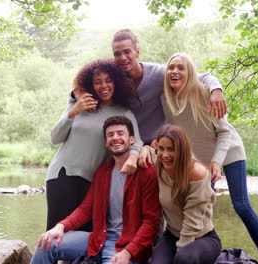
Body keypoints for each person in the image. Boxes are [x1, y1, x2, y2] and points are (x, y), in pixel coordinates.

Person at [141, 52, 258, 264]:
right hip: (201, 161)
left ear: (191, 72)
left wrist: (216, 162)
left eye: (181, 67)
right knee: (201, 208)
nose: (175, 71)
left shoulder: (204, 93)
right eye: (171, 68)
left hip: (228, 153)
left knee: (241, 205)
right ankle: (196, 251)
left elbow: (224, 133)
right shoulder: (166, 100)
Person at [31, 116, 161, 264]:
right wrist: (61, 226)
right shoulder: (103, 172)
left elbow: (151, 223)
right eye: (110, 135)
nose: (115, 138)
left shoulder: (147, 172)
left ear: (132, 140)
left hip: (127, 246)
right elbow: (86, 209)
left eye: (120, 133)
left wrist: (128, 252)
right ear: (106, 143)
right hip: (98, 238)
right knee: (45, 244)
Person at [74, 29, 227, 145]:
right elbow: (83, 87)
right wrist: (79, 94)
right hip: (127, 144)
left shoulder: (158, 74)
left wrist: (216, 91)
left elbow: (201, 77)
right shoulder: (114, 79)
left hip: (157, 144)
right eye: (117, 54)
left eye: (127, 52)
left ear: (137, 52)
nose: (122, 58)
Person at [46, 59, 143, 232]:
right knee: (56, 234)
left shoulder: (124, 113)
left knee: (86, 235)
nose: (103, 86)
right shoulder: (78, 104)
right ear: (90, 85)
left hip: (94, 182)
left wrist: (133, 157)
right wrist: (74, 112)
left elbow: (137, 140)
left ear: (116, 82)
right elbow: (55, 138)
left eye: (108, 80)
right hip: (62, 174)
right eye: (97, 82)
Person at [144, 125, 221, 264]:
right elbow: (149, 152)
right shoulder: (160, 166)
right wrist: (144, 149)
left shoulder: (197, 173)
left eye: (171, 149)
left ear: (183, 150)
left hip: (202, 237)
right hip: (171, 235)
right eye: (161, 148)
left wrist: (179, 252)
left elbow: (192, 222)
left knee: (184, 259)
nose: (165, 154)